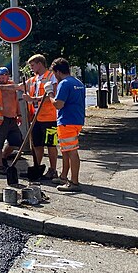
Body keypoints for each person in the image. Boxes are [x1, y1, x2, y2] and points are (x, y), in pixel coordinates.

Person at [49, 58, 86, 192]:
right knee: (66, 150)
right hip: (77, 120)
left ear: (58, 71)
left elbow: (58, 104)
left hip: (66, 121)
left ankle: (74, 182)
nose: (54, 76)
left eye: (54, 73)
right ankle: (64, 176)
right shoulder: (78, 82)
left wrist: (50, 94)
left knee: (71, 151)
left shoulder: (64, 83)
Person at [23, 54, 60, 180]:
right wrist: (0, 86)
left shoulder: (51, 76)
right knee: (37, 145)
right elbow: (18, 86)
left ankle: (53, 170)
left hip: (50, 118)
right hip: (36, 118)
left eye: (32, 65)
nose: (31, 68)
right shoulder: (34, 79)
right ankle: (37, 168)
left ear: (40, 63)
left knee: (51, 145)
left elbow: (52, 95)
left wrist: (32, 99)